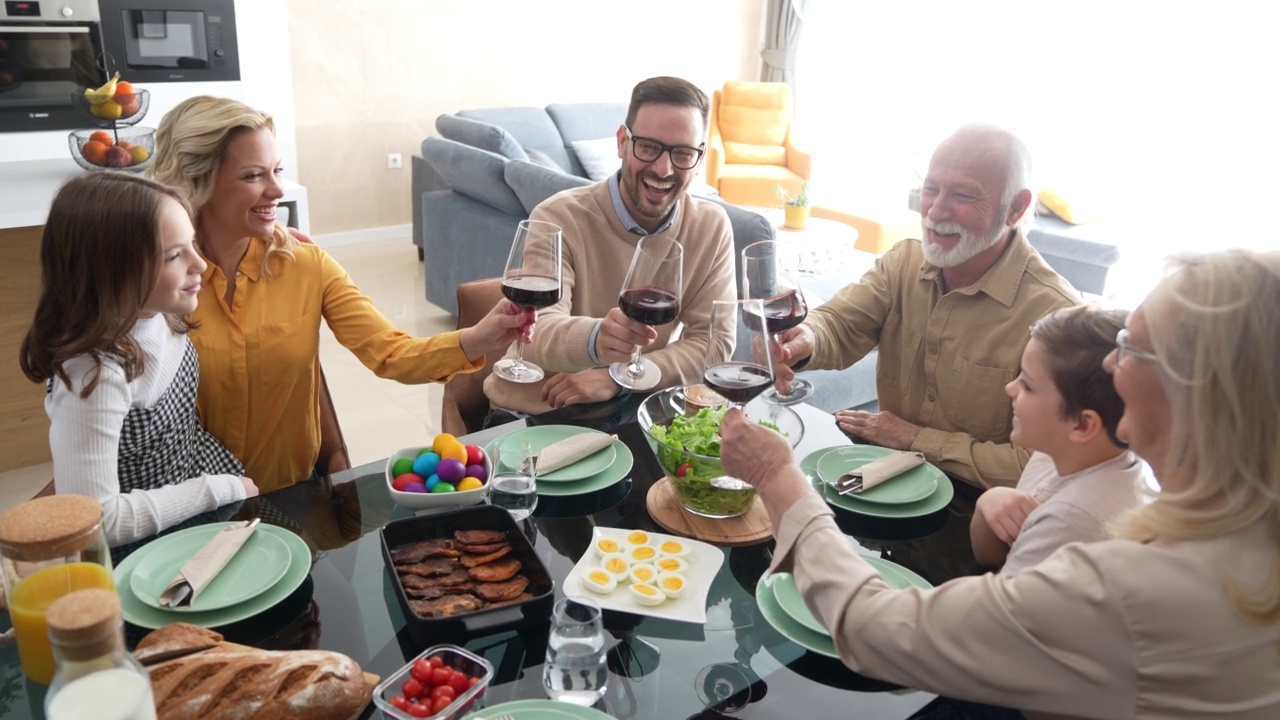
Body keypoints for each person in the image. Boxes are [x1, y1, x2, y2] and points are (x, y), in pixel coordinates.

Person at [720, 249, 1280, 717]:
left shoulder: (1138, 585)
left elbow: (878, 631)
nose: (1110, 366)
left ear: (1204, 394)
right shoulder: (1239, 536)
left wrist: (778, 478)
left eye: (1132, 346)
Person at [149, 96, 534, 491]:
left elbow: (391, 353)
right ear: (197, 181)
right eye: (252, 176)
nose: (277, 189)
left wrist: (478, 337)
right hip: (192, 507)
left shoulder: (305, 265)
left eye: (277, 171)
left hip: (294, 497)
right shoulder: (151, 283)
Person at [774, 123, 1078, 489]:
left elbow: (1041, 467)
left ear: (1015, 208)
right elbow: (840, 324)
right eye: (930, 189)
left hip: (979, 514)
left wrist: (916, 439)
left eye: (963, 196)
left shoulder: (1057, 318)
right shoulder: (904, 261)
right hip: (880, 485)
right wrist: (803, 338)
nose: (936, 210)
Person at [19, 172, 255, 547]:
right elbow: (98, 521)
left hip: (197, 484)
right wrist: (215, 489)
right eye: (174, 256)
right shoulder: (93, 377)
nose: (201, 264)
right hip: (146, 538)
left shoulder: (156, 311)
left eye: (192, 244)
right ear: (113, 270)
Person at [483, 76, 737, 418]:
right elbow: (535, 330)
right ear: (622, 143)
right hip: (535, 409)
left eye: (682, 154)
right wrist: (597, 339)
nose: (664, 169)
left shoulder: (710, 226)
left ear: (699, 157)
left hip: (633, 406)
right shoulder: (558, 216)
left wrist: (621, 377)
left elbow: (715, 343)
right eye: (648, 146)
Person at [969, 305, 1144, 574]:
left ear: (1083, 425)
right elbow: (992, 558)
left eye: (1027, 385)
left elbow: (1001, 610)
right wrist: (988, 502)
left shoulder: (1073, 519)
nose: (1010, 388)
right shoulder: (1057, 453)